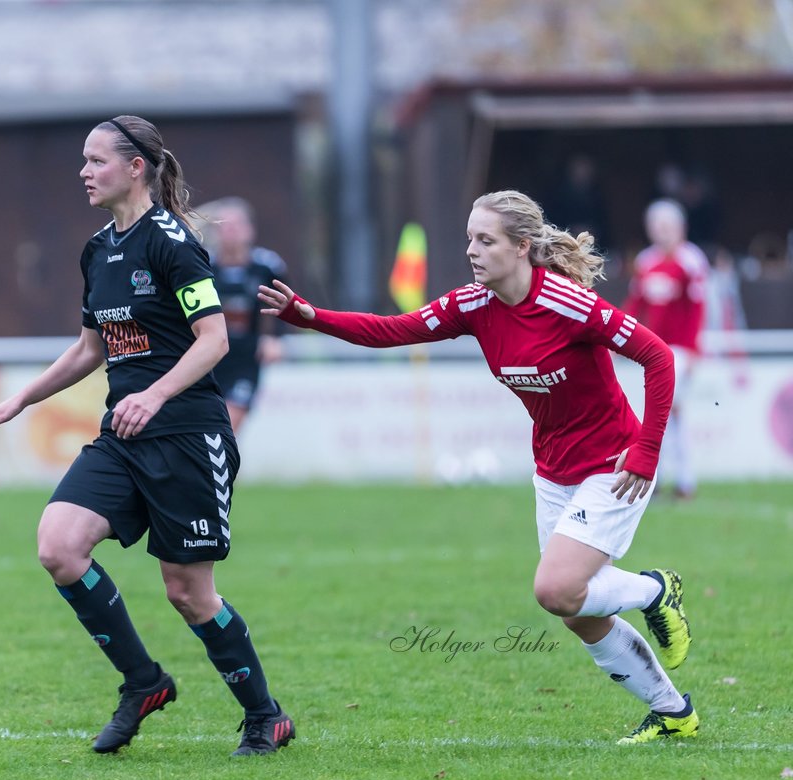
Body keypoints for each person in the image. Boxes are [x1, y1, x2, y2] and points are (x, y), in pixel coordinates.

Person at [259, 190, 697, 744]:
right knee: (578, 611)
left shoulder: (567, 304)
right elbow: (394, 329)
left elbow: (658, 356)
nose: (471, 249)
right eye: (469, 237)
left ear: (520, 247)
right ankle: (672, 711)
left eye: (484, 240)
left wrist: (647, 451)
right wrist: (309, 316)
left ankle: (656, 592)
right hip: (553, 470)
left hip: (614, 464)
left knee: (556, 589)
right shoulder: (473, 305)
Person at [0, 115, 294, 756]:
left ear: (135, 167)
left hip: (186, 436)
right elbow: (90, 348)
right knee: (59, 547)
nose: (84, 172)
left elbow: (215, 339)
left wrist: (155, 392)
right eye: (83, 162)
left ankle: (265, 716)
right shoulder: (98, 250)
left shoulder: (174, 243)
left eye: (95, 161)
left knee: (188, 593)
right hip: (124, 434)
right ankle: (142, 682)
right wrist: (18, 401)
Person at [623, 199, 711, 501]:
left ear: (680, 228)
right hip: (653, 351)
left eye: (666, 226)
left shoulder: (691, 261)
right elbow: (636, 306)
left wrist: (692, 351)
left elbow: (698, 310)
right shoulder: (647, 262)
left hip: (679, 352)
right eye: (656, 226)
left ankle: (680, 480)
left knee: (669, 413)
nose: (661, 233)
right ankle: (664, 478)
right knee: (663, 414)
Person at [200, 197, 287, 432]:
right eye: (224, 226)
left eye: (236, 225)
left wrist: (275, 339)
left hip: (245, 359)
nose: (230, 232)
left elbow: (286, 306)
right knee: (205, 426)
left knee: (227, 425)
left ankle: (219, 466)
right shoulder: (202, 266)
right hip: (207, 356)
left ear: (250, 230)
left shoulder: (267, 267)